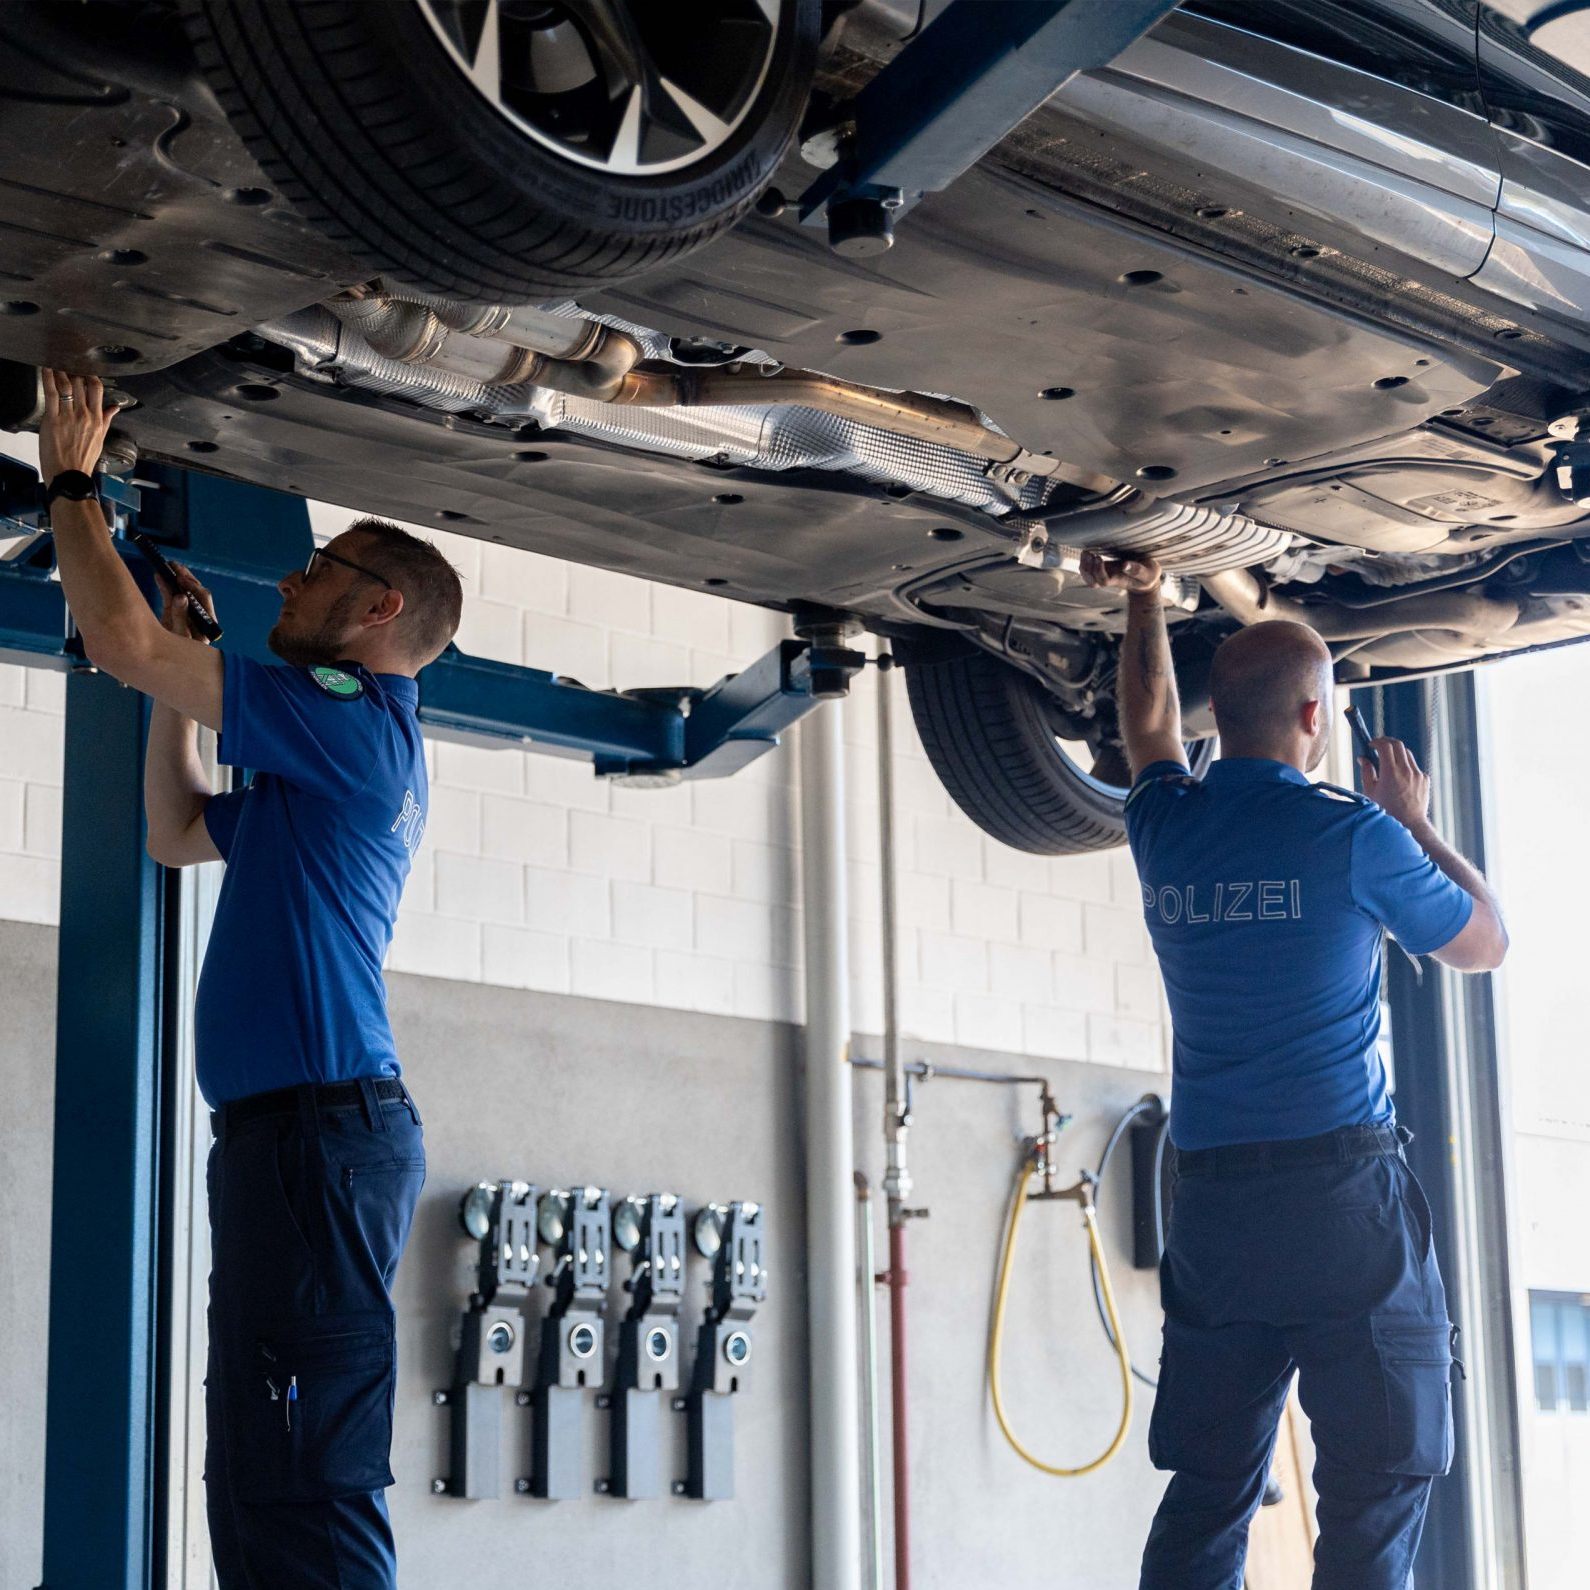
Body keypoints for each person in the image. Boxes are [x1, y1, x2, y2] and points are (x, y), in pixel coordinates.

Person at [37, 368, 462, 1589]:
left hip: (319, 1141)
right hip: (300, 1144)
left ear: (377, 609)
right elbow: (176, 831)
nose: (288, 578)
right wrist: (183, 666)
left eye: (318, 570)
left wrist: (73, 479)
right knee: (267, 1460)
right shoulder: (324, 757)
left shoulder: (356, 717)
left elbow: (117, 643)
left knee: (302, 1467)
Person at [1079, 549, 1508, 1590]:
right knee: (1377, 1481)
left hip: (1216, 1209)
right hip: (1338, 1205)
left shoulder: (1167, 827)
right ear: (1316, 715)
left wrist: (1143, 599)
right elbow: (1485, 943)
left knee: (1211, 1488)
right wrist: (1417, 822)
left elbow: (1144, 728)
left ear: (1217, 715)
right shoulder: (1356, 837)